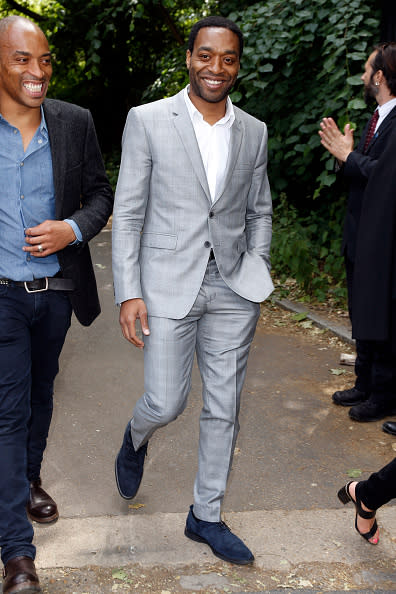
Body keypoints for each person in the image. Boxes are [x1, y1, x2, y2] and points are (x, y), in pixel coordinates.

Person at [112, 15, 273, 566]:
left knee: (224, 407)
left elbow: (260, 209)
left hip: (233, 286)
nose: (216, 68)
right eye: (206, 55)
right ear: (188, 57)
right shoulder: (149, 120)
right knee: (166, 399)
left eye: (228, 58)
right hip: (165, 284)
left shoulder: (253, 130)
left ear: (237, 65)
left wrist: (259, 266)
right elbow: (128, 212)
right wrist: (128, 291)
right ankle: (136, 436)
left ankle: (205, 515)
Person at [0, 15, 113, 594]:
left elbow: (99, 193)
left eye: (43, 59)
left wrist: (71, 229)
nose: (37, 71)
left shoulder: (73, 122)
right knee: (9, 410)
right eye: (22, 59)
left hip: (56, 295)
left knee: (41, 396)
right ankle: (18, 557)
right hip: (1, 297)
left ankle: (28, 479)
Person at [318, 43, 396, 424]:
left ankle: (382, 395)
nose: (364, 77)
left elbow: (386, 176)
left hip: (383, 241)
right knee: (362, 310)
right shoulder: (377, 117)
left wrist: (349, 156)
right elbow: (363, 169)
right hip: (360, 234)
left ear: (380, 76)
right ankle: (363, 383)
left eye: (368, 70)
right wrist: (344, 157)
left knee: (381, 314)